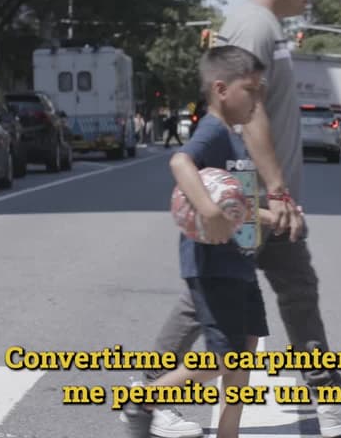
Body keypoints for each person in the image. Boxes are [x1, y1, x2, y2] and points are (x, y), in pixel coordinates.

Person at [135, 0, 341, 438]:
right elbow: (249, 112)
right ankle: (149, 396)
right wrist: (276, 192)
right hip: (249, 194)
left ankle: (328, 397)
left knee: (291, 289)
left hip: (260, 193)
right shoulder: (252, 26)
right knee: (212, 297)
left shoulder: (270, 29)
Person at [122, 45, 276, 438]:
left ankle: (228, 432)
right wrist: (208, 211)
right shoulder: (213, 131)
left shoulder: (235, 138)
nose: (257, 98)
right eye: (250, 90)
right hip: (215, 266)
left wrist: (273, 216)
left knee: (244, 354)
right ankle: (145, 399)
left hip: (240, 265)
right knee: (227, 360)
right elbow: (180, 162)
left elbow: (236, 206)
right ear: (221, 90)